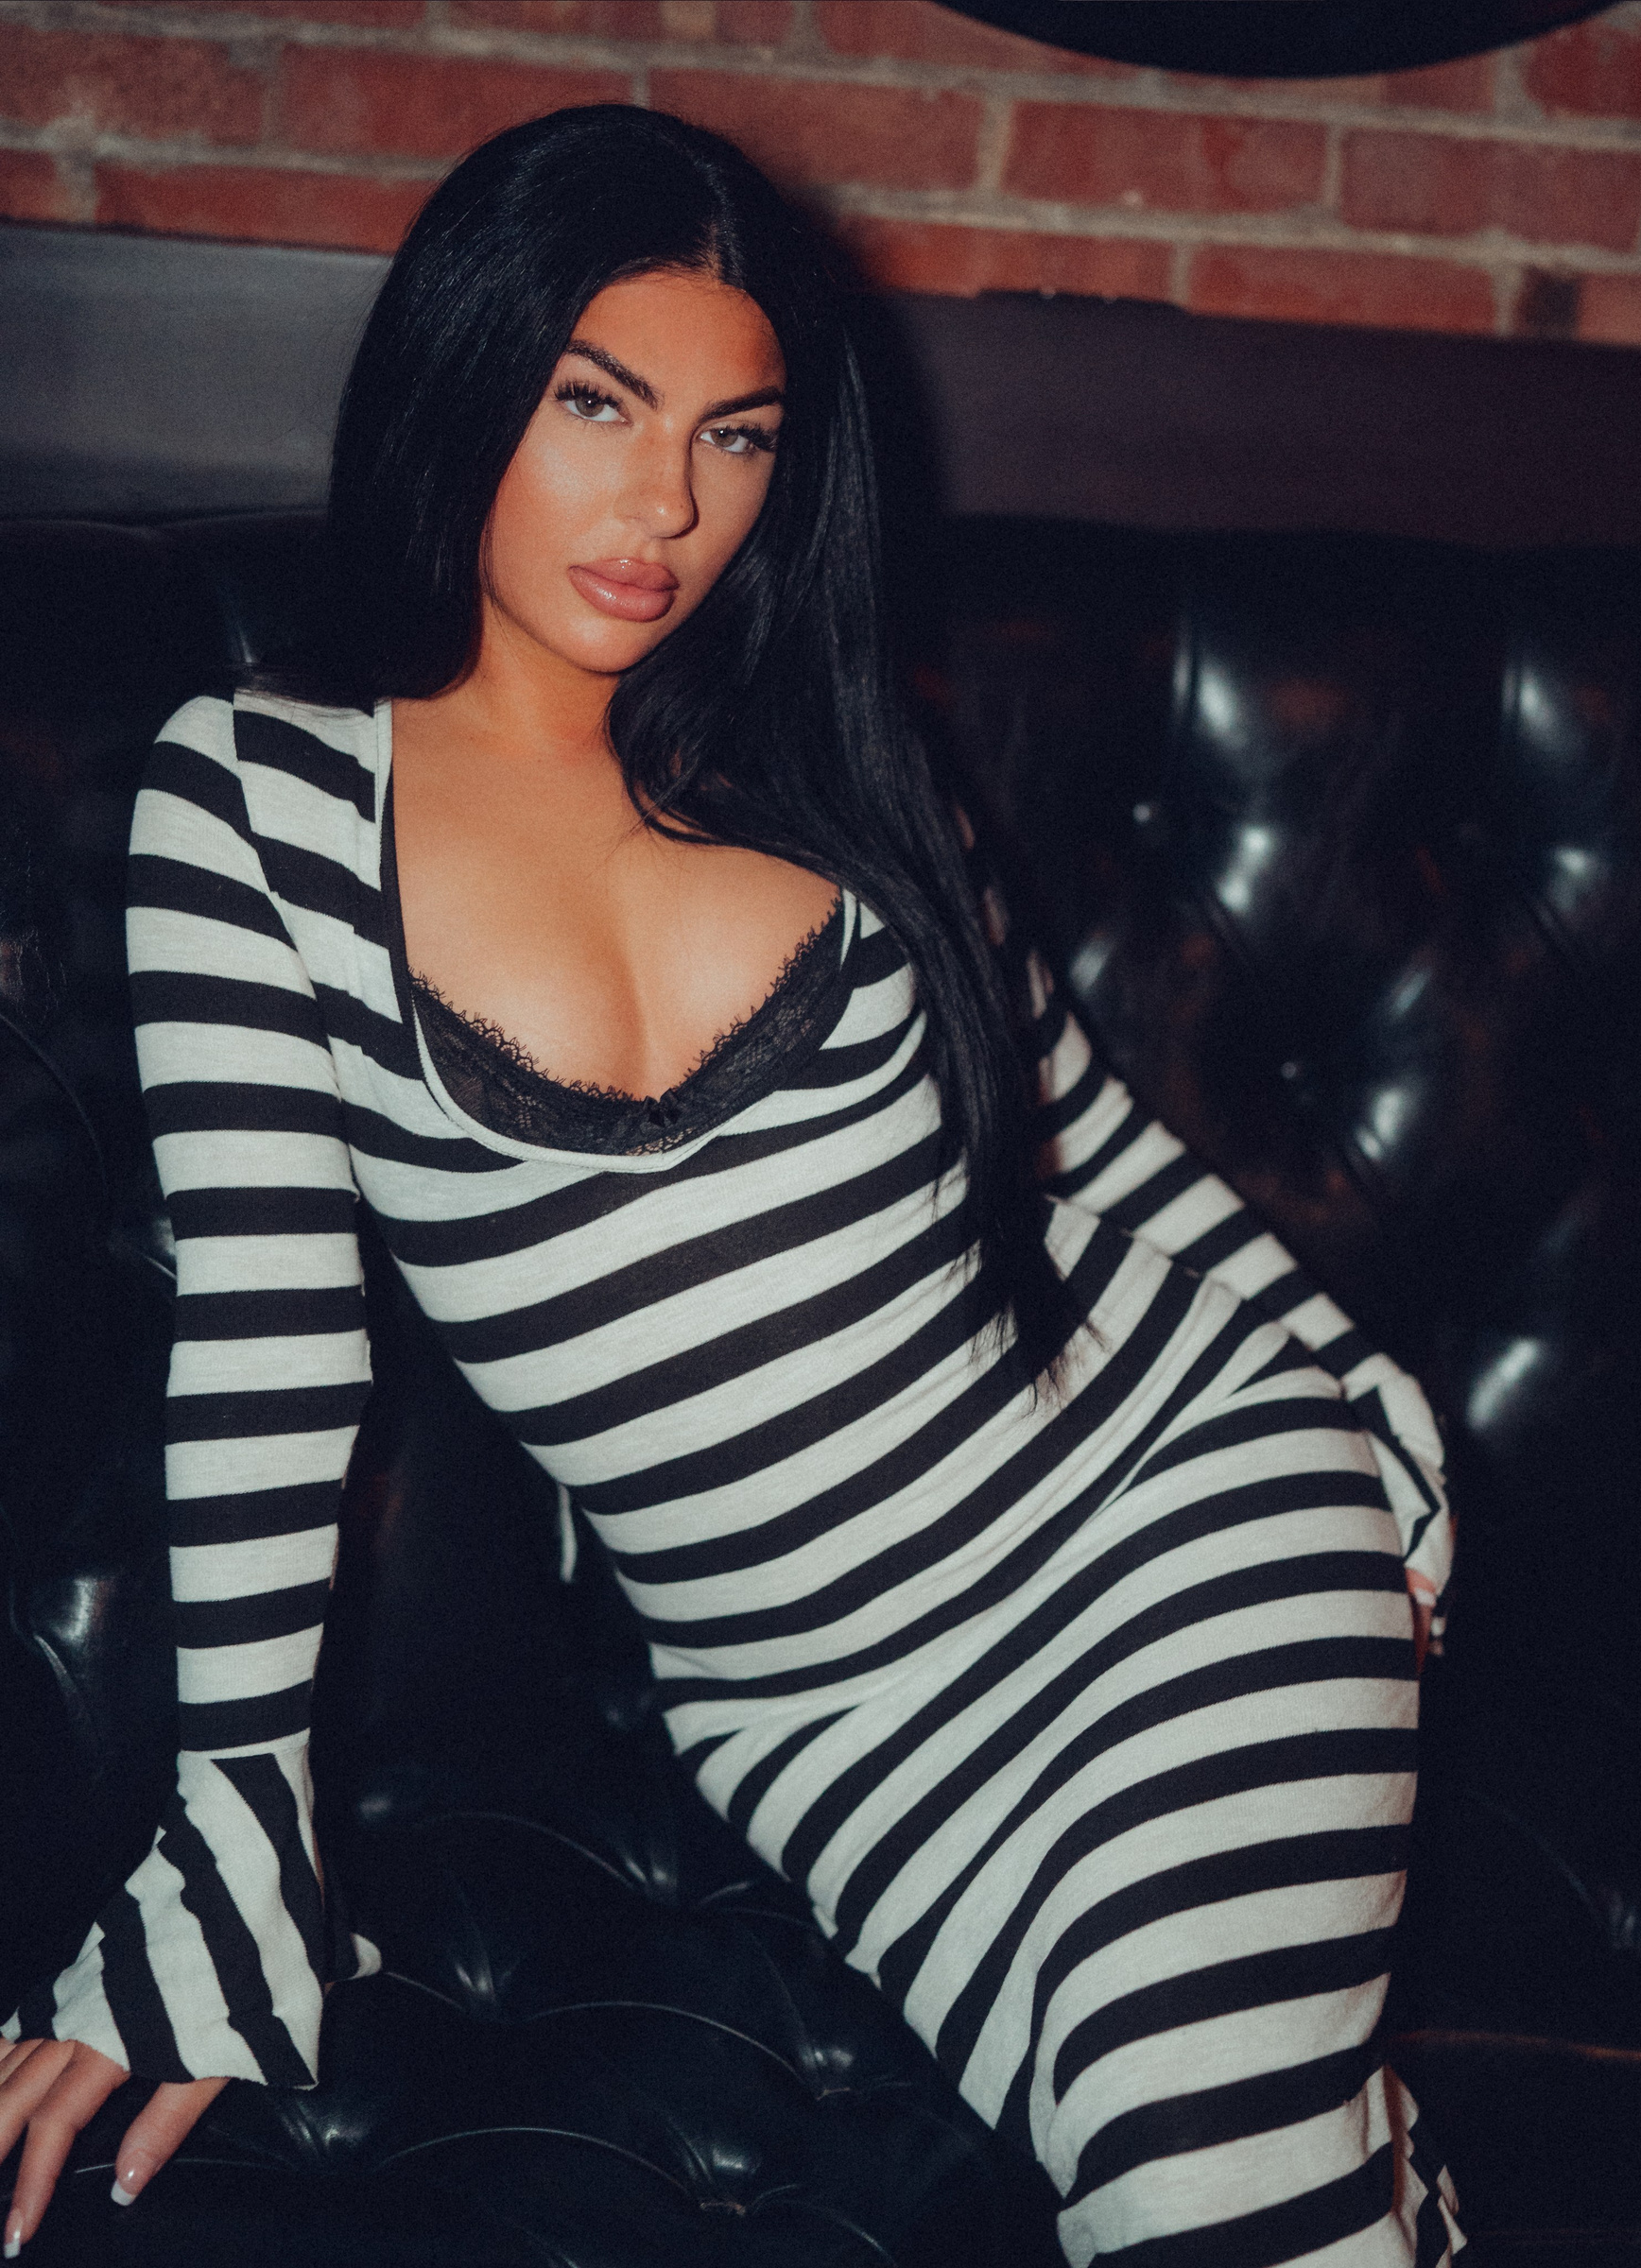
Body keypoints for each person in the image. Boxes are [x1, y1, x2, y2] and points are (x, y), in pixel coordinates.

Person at [0, 104, 1461, 2264]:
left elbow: (1072, 1137)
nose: (669, 506)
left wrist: (1351, 1388)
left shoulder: (826, 752)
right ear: (464, 378)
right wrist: (234, 1837)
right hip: (830, 1721)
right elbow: (270, 1346)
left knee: (1203, 2185)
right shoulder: (255, 802)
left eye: (738, 436)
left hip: (1173, 1499)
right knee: (1180, 2177)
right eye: (598, 404)